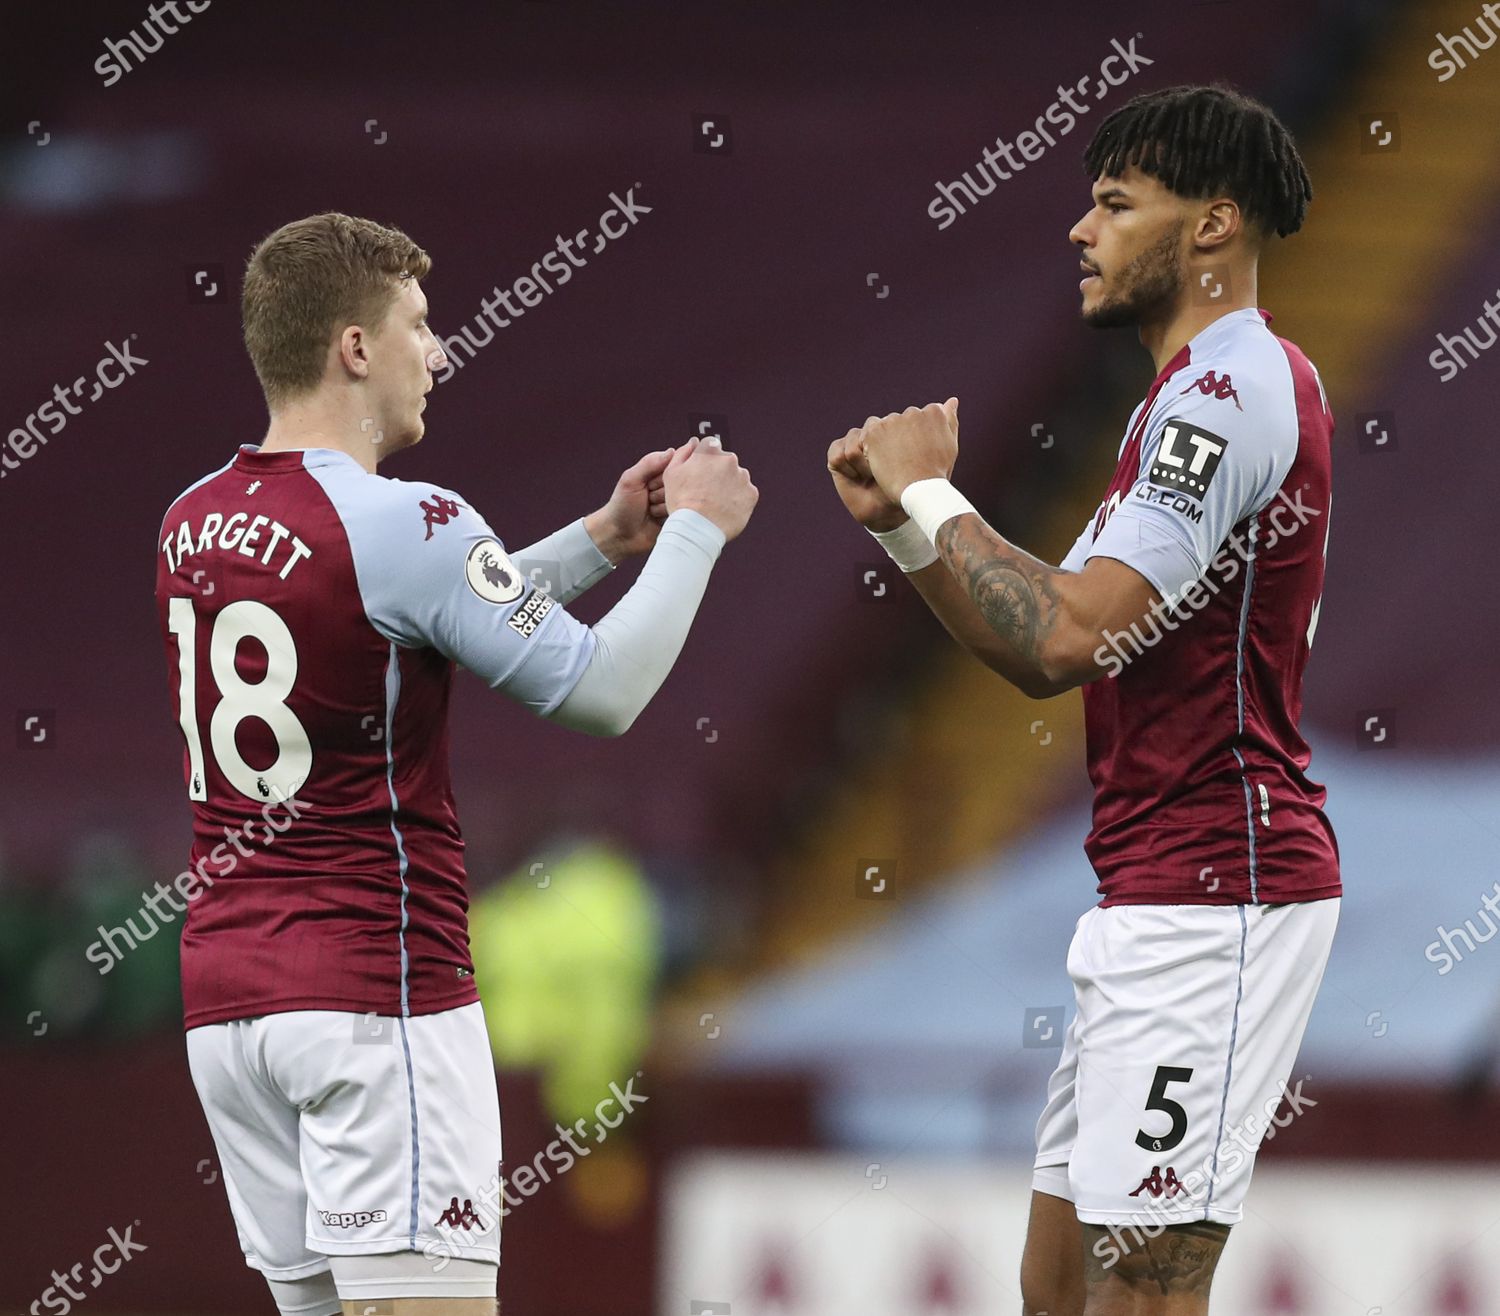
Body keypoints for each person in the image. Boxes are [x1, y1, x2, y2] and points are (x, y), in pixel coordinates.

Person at [154, 212, 756, 1316]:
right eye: (419, 326)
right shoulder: (413, 519)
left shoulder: (191, 519)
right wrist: (695, 533)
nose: (439, 352)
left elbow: (404, 617)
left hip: (231, 1005)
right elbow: (600, 688)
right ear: (353, 348)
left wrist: (598, 537)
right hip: (376, 995)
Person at [827, 84, 1338, 1314]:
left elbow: (1065, 636)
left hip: (1222, 892)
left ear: (1213, 225)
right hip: (1154, 889)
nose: (1080, 229)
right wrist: (906, 527)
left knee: (1140, 1301)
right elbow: (1035, 652)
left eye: (1116, 203)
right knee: (1059, 1290)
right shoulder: (1185, 399)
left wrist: (939, 493)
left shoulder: (1228, 394)